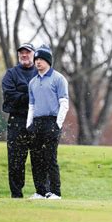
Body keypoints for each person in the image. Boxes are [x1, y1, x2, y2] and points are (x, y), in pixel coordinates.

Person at [26, 45, 69, 200]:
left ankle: (55, 192)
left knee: (50, 158)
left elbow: (64, 103)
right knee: (36, 158)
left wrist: (57, 124)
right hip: (36, 123)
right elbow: (31, 105)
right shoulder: (32, 82)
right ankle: (40, 191)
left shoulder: (58, 79)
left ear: (48, 61)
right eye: (36, 59)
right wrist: (28, 125)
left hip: (52, 121)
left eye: (41, 59)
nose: (38, 62)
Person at [1, 43, 38, 198]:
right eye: (21, 53)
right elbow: (10, 97)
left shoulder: (41, 72)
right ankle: (16, 194)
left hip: (37, 121)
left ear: (34, 55)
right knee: (16, 159)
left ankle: (43, 192)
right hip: (17, 120)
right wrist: (30, 96)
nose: (24, 55)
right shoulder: (11, 74)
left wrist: (21, 92)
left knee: (40, 158)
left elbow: (45, 95)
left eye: (27, 52)